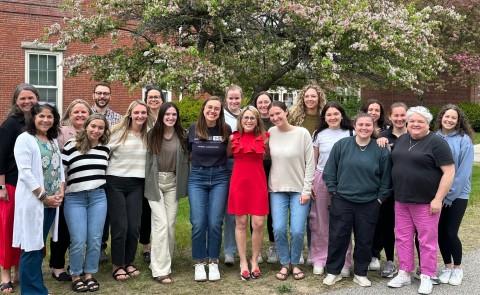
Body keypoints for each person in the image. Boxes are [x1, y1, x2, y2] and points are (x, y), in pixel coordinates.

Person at [387, 106, 455, 295]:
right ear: (407, 123)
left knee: (427, 241)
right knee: (402, 238)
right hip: (401, 200)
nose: (416, 124)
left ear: (428, 124)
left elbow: (449, 172)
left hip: (426, 202)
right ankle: (404, 272)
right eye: (413, 121)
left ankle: (427, 275)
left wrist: (438, 199)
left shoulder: (437, 143)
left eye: (420, 121)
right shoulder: (402, 140)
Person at [322, 113, 392, 287]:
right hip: (343, 200)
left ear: (373, 127)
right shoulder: (342, 145)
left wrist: (379, 199)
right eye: (360, 124)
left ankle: (361, 272)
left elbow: (386, 179)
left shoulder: (380, 149)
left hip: (369, 203)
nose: (364, 128)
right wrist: (334, 191)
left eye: (368, 125)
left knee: (364, 239)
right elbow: (329, 172)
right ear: (354, 126)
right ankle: (334, 271)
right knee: (338, 237)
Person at [13, 103, 64, 295]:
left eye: (50, 117)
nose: (46, 120)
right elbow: (25, 173)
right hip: (35, 202)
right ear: (33, 118)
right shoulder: (24, 139)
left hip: (52, 201)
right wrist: (44, 197)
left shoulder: (51, 140)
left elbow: (58, 169)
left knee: (39, 246)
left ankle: (38, 288)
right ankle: (31, 292)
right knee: (31, 248)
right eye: (41, 116)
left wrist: (60, 191)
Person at [62, 114, 110, 292]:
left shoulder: (105, 149)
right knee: (78, 239)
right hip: (75, 198)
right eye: (93, 126)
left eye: (100, 128)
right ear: (86, 126)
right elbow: (62, 172)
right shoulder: (71, 145)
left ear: (104, 131)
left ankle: (89, 274)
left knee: (95, 239)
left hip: (98, 197)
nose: (96, 131)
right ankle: (75, 274)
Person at [268, 101, 314, 281]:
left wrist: (307, 190)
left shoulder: (302, 133)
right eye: (271, 115)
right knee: (278, 228)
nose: (275, 118)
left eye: (278, 113)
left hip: (299, 190)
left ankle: (295, 263)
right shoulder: (270, 133)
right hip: (277, 189)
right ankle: (284, 263)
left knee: (296, 230)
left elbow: (310, 163)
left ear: (286, 112)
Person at [106, 100, 152, 281]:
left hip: (137, 184)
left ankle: (129, 261)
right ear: (130, 114)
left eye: (143, 113)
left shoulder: (149, 135)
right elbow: (104, 154)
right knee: (120, 226)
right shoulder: (117, 133)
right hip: (115, 182)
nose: (140, 116)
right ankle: (117, 265)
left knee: (134, 226)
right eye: (137, 112)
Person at [144, 102, 189, 284]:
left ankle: (163, 260)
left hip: (172, 183)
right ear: (161, 116)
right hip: (155, 182)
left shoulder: (182, 135)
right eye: (167, 114)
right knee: (161, 223)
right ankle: (160, 270)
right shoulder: (151, 135)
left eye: (174, 115)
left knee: (169, 225)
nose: (171, 118)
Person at [0, 83, 38, 293]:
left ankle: (18, 272)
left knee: (23, 231)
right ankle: (5, 274)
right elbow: (1, 156)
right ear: (16, 101)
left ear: (37, 99)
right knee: (7, 230)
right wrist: (1, 185)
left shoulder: (40, 122)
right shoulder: (10, 125)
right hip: (12, 186)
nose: (27, 102)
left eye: (30, 98)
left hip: (32, 186)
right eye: (22, 98)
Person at [188, 96, 231, 282]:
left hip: (220, 177)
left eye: (217, 109)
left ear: (220, 112)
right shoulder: (193, 128)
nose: (213, 111)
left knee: (215, 222)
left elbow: (229, 153)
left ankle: (213, 261)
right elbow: (188, 151)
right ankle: (199, 262)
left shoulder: (225, 129)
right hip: (197, 177)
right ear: (203, 108)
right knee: (198, 222)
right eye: (210, 107)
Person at [309, 101, 354, 277]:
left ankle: (344, 261)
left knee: (343, 222)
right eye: (329, 115)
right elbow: (313, 160)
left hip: (345, 180)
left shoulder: (351, 132)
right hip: (321, 178)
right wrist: (311, 182)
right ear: (324, 117)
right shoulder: (319, 134)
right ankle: (320, 258)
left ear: (342, 115)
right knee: (320, 221)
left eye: (336, 114)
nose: (333, 117)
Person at [50, 99, 93, 282]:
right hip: (65, 188)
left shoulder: (93, 131)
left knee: (79, 232)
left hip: (85, 188)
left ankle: (75, 264)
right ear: (69, 114)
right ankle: (57, 266)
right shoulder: (61, 132)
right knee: (63, 230)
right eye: (76, 112)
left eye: (84, 112)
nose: (80, 115)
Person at [227, 106, 269, 280]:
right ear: (241, 120)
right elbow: (226, 156)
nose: (249, 121)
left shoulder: (265, 138)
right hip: (239, 184)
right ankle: (243, 261)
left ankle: (255, 260)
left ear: (257, 120)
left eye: (252, 118)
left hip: (258, 184)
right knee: (241, 223)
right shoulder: (233, 138)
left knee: (258, 223)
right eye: (246, 118)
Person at [435, 104, 474, 286]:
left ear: (458, 121)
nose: (449, 120)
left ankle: (458, 268)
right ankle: (448, 266)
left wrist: (448, 195)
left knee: (451, 232)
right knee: (440, 232)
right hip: (437, 194)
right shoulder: (433, 137)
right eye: (446, 116)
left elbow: (463, 173)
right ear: (441, 117)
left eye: (453, 118)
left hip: (457, 195)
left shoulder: (463, 140)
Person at [373, 102, 408, 278]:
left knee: (408, 229)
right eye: (396, 115)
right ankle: (389, 261)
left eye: (403, 115)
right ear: (390, 116)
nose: (400, 119)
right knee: (387, 226)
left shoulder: (414, 135)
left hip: (409, 190)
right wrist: (379, 141)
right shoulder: (382, 136)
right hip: (388, 189)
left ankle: (408, 262)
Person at [91, 82, 122, 262]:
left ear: (110, 96)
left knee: (106, 211)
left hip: (110, 169)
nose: (102, 96)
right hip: (89, 169)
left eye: (106, 94)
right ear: (94, 95)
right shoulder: (84, 113)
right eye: (99, 93)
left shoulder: (117, 119)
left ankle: (102, 246)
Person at [252, 91, 277, 263]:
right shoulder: (252, 121)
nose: (263, 106)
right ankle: (257, 249)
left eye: (266, 102)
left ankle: (273, 245)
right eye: (260, 103)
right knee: (256, 208)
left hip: (275, 167)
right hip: (256, 167)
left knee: (273, 209)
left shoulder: (276, 120)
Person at [140, 86, 165, 264]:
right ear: (146, 99)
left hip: (162, 168)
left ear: (162, 100)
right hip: (143, 168)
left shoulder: (166, 118)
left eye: (157, 97)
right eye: (151, 97)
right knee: (145, 211)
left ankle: (159, 245)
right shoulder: (142, 118)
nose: (154, 100)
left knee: (160, 211)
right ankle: (146, 246)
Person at [223, 85, 242, 266]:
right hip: (225, 164)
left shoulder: (247, 115)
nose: (234, 101)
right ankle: (227, 250)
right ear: (226, 99)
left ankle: (234, 249)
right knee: (225, 210)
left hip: (243, 164)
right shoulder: (219, 115)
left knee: (236, 211)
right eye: (231, 98)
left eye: (237, 98)